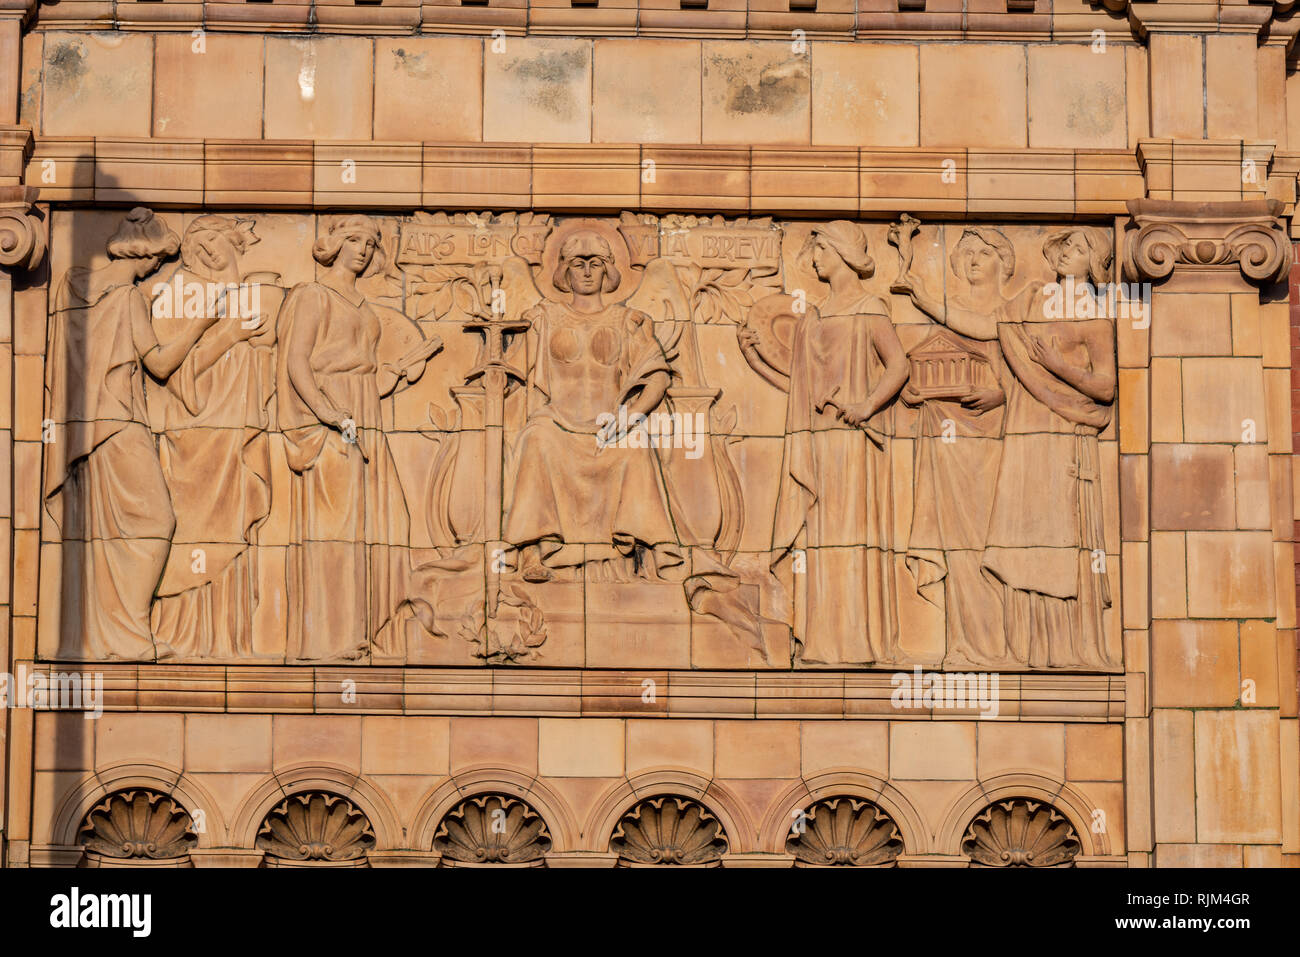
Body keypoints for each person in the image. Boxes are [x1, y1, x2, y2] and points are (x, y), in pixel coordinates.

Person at [43, 208, 210, 660]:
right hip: (119, 422)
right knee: (156, 521)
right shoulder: (126, 297)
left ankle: (106, 633)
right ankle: (130, 633)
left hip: (84, 427)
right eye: (156, 259)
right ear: (145, 252)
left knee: (106, 530)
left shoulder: (74, 287)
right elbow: (157, 362)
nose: (155, 267)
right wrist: (202, 322)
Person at [739, 222, 909, 666]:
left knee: (851, 539)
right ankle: (821, 643)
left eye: (820, 250)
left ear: (842, 253)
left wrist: (867, 404)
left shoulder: (869, 308)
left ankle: (858, 643)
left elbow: (899, 365)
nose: (813, 259)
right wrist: (754, 355)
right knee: (819, 543)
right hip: (816, 446)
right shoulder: (813, 316)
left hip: (853, 448)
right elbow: (799, 390)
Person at [276, 215, 441, 661]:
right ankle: (326, 640)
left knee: (380, 525)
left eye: (370, 242)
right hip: (332, 419)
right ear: (332, 244)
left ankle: (359, 630)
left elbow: (358, 365)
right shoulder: (312, 295)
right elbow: (297, 363)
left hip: (365, 412)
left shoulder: (365, 308)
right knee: (335, 529)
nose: (363, 249)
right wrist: (329, 415)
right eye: (353, 239)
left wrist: (388, 377)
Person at [503, 229, 682, 583]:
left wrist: (631, 417)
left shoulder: (628, 321)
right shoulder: (543, 317)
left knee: (638, 447)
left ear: (607, 272)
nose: (586, 271)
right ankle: (532, 549)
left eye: (595, 264)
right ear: (564, 272)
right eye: (577, 264)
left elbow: (658, 376)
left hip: (609, 427)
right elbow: (512, 371)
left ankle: (648, 552)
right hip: (555, 424)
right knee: (535, 439)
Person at [982, 227, 1119, 669]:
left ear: (1093, 264)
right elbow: (989, 325)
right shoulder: (1030, 301)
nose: (1066, 254)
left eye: (1078, 248)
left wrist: (1058, 366)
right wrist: (927, 299)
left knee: (1063, 532)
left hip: (1064, 435)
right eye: (1063, 246)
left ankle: (1069, 647)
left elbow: (1105, 387)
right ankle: (1026, 647)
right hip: (1025, 429)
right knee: (1023, 528)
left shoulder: (1095, 317)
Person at [148, 216, 273, 659]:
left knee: (234, 528)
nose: (212, 251)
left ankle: (225, 638)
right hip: (194, 439)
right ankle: (181, 634)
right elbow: (172, 372)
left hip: (232, 434)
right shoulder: (177, 292)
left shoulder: (241, 292)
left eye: (221, 241)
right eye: (203, 242)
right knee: (192, 532)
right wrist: (230, 334)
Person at [895, 226, 1016, 669]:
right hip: (947, 447)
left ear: (1005, 261)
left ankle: (999, 645)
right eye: (966, 254)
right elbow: (919, 368)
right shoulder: (952, 315)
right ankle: (964, 644)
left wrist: (1000, 395)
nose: (973, 261)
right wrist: (914, 393)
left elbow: (1027, 376)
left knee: (990, 545)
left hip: (993, 444)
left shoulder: (1012, 312)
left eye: (984, 253)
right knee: (955, 545)